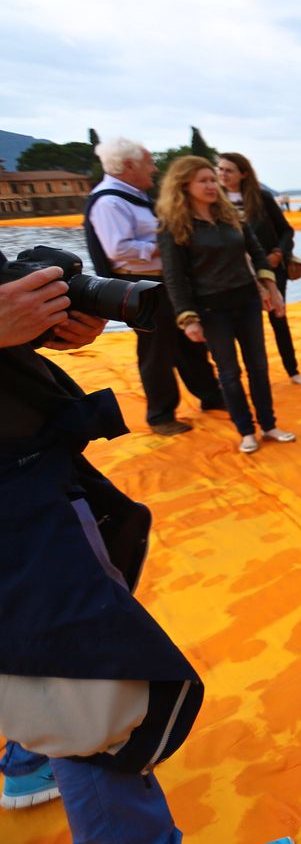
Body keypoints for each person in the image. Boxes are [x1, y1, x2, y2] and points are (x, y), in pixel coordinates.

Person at [0, 252, 204, 837]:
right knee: (88, 685)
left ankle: (28, 758)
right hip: (14, 494)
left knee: (48, 655)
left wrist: (36, 325)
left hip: (30, 465)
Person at [83, 137, 224, 435]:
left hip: (163, 281)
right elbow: (119, 250)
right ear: (129, 165)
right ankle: (161, 415)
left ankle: (211, 396)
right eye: (149, 162)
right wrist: (168, 245)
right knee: (156, 350)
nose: (155, 168)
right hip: (143, 286)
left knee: (189, 342)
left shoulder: (136, 198)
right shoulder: (110, 202)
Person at [157, 157, 294, 455]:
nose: (211, 185)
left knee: (258, 366)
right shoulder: (174, 226)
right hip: (211, 310)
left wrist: (272, 288)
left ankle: (269, 425)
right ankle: (246, 431)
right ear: (184, 186)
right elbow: (174, 277)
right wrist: (187, 318)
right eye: (203, 181)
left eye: (212, 180)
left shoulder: (230, 215)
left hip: (246, 301)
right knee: (229, 373)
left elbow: (256, 253)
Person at [217, 152, 301, 387]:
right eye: (220, 169)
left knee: (278, 319)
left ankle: (293, 371)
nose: (222, 174)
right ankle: (239, 380)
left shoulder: (261, 198)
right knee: (240, 325)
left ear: (243, 173)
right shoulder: (214, 202)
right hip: (234, 273)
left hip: (270, 269)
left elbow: (286, 230)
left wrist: (278, 254)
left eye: (228, 170)